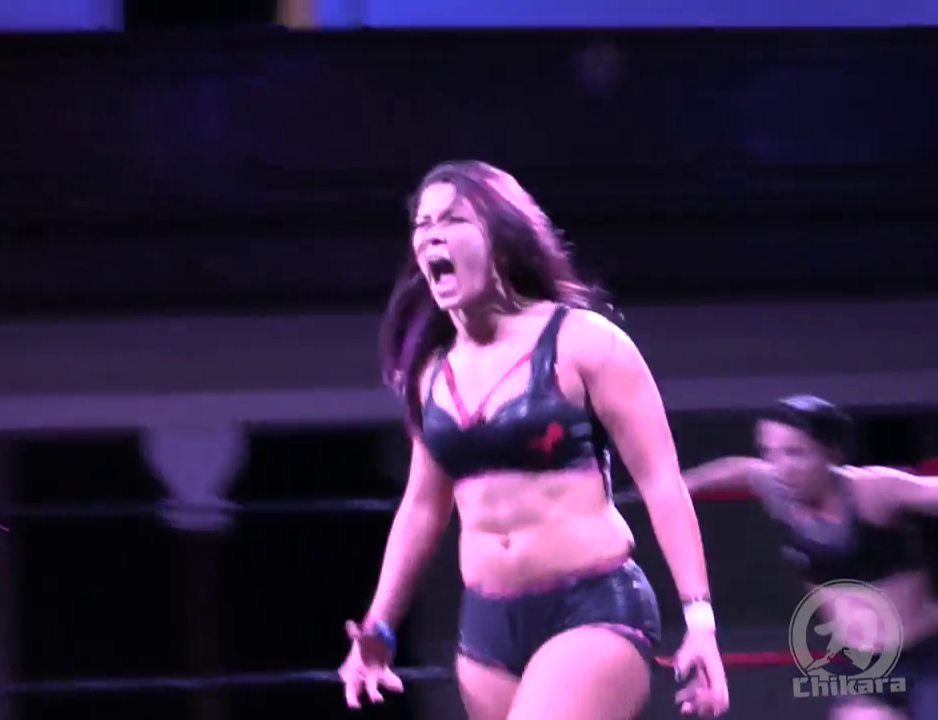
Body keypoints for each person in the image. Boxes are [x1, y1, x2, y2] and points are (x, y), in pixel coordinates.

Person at [337, 160, 729, 720]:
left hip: (591, 608)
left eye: (453, 219)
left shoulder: (583, 342)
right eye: (423, 225)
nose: (433, 236)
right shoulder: (431, 374)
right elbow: (422, 507)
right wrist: (379, 626)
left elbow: (661, 482)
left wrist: (700, 622)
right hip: (487, 631)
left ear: (501, 236)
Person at [676, 395, 938, 719]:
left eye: (795, 453)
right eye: (769, 453)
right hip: (862, 665)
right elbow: (739, 469)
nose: (780, 468)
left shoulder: (874, 490)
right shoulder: (776, 489)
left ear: (831, 454)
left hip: (926, 656)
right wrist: (674, 487)